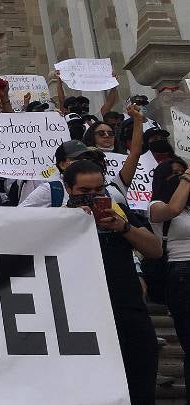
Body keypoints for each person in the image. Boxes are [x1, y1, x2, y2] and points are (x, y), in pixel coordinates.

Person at [63, 160, 161, 405]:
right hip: (81, 321)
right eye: (84, 192)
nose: (93, 196)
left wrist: (123, 227)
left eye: (99, 190)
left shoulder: (119, 213)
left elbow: (155, 250)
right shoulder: (57, 219)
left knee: (140, 384)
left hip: (128, 312)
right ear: (68, 189)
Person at [21, 105, 145, 208]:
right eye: (76, 159)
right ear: (62, 164)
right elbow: (19, 217)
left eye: (87, 157)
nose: (84, 162)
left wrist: (138, 121)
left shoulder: (113, 188)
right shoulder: (51, 190)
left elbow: (134, 154)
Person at [149, 158, 190, 392]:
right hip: (182, 273)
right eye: (174, 174)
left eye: (182, 172)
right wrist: (187, 177)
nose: (181, 177)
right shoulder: (155, 205)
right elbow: (173, 209)